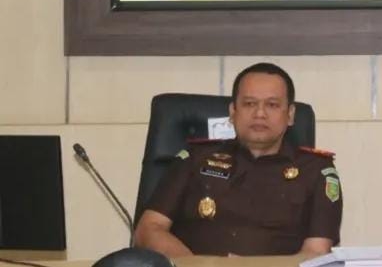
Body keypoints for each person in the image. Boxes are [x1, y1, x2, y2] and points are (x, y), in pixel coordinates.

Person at [133, 63, 343, 257]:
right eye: (249, 103)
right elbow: (148, 229)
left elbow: (316, 252)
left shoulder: (317, 170)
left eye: (272, 105)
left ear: (290, 114)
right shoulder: (195, 158)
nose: (259, 113)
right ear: (233, 112)